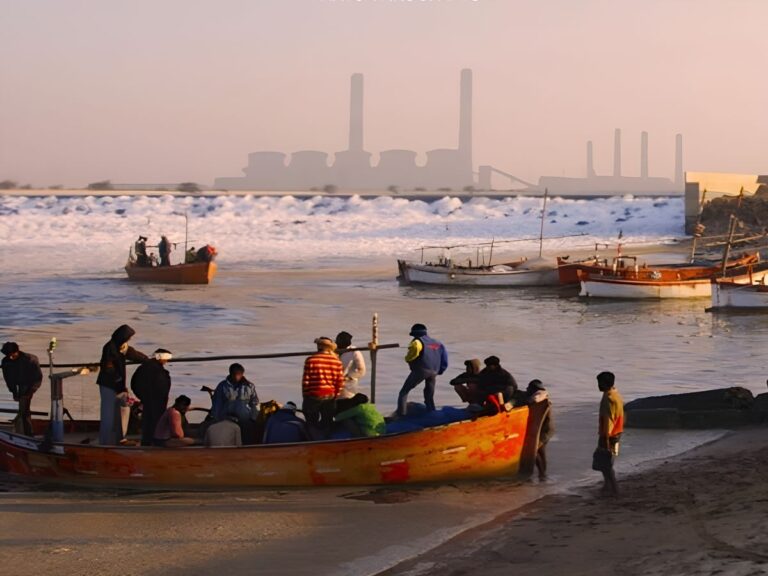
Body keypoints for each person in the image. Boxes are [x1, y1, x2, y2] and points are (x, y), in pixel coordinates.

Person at [96, 325, 148, 445]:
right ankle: (105, 441)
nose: (128, 341)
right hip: (108, 385)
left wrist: (147, 360)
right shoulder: (110, 347)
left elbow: (133, 354)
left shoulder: (122, 347)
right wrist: (118, 380)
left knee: (122, 410)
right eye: (128, 338)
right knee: (108, 414)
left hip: (119, 386)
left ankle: (120, 438)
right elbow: (108, 368)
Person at [397, 323, 448, 417]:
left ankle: (401, 415)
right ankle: (431, 412)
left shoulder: (417, 342)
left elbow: (412, 355)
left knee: (404, 392)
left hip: (421, 370)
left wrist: (407, 359)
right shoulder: (437, 343)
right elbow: (444, 359)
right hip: (434, 371)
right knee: (429, 394)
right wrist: (440, 370)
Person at [302, 337, 345, 438]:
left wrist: (306, 395)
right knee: (327, 420)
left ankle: (313, 438)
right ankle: (326, 438)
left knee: (311, 420)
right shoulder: (337, 362)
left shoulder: (311, 360)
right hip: (330, 395)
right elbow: (340, 382)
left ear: (318, 347)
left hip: (313, 395)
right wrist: (336, 395)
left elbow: (306, 381)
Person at [130, 348, 173, 446]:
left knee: (148, 422)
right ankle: (155, 442)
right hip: (157, 401)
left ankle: (147, 442)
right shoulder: (156, 370)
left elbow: (134, 384)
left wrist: (143, 397)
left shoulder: (144, 368)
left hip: (149, 399)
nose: (166, 361)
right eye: (166, 358)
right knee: (155, 422)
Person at [1, 342, 43, 436]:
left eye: (12, 355)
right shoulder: (6, 361)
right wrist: (14, 393)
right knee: (23, 410)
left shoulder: (30, 359)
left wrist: (30, 392)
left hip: (29, 384)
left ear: (17, 352)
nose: (10, 357)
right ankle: (23, 430)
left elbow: (38, 378)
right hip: (18, 385)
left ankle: (28, 433)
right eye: (8, 355)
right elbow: (8, 379)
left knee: (24, 410)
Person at [211, 363, 259, 443]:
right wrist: (219, 420)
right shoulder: (222, 386)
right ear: (230, 374)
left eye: (239, 375)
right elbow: (217, 406)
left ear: (242, 374)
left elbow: (254, 403)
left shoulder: (249, 386)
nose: (237, 377)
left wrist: (253, 419)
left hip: (245, 420)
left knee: (249, 438)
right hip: (227, 419)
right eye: (234, 375)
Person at [596, 371, 624, 496]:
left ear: (605, 383)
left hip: (609, 434)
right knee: (608, 461)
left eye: (599, 383)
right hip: (617, 432)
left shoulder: (608, 398)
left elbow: (607, 420)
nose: (598, 385)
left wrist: (605, 439)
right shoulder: (615, 394)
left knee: (605, 463)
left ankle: (615, 489)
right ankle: (607, 485)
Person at [525, 379, 553, 480]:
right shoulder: (545, 397)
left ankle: (542, 473)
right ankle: (543, 474)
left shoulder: (541, 396)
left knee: (534, 449)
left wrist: (527, 401)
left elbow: (535, 399)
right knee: (541, 451)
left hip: (545, 429)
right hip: (546, 429)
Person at [335, 331, 367, 400]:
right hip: (334, 386)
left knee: (347, 400)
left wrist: (349, 377)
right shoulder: (334, 351)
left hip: (349, 386)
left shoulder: (354, 352)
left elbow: (362, 370)